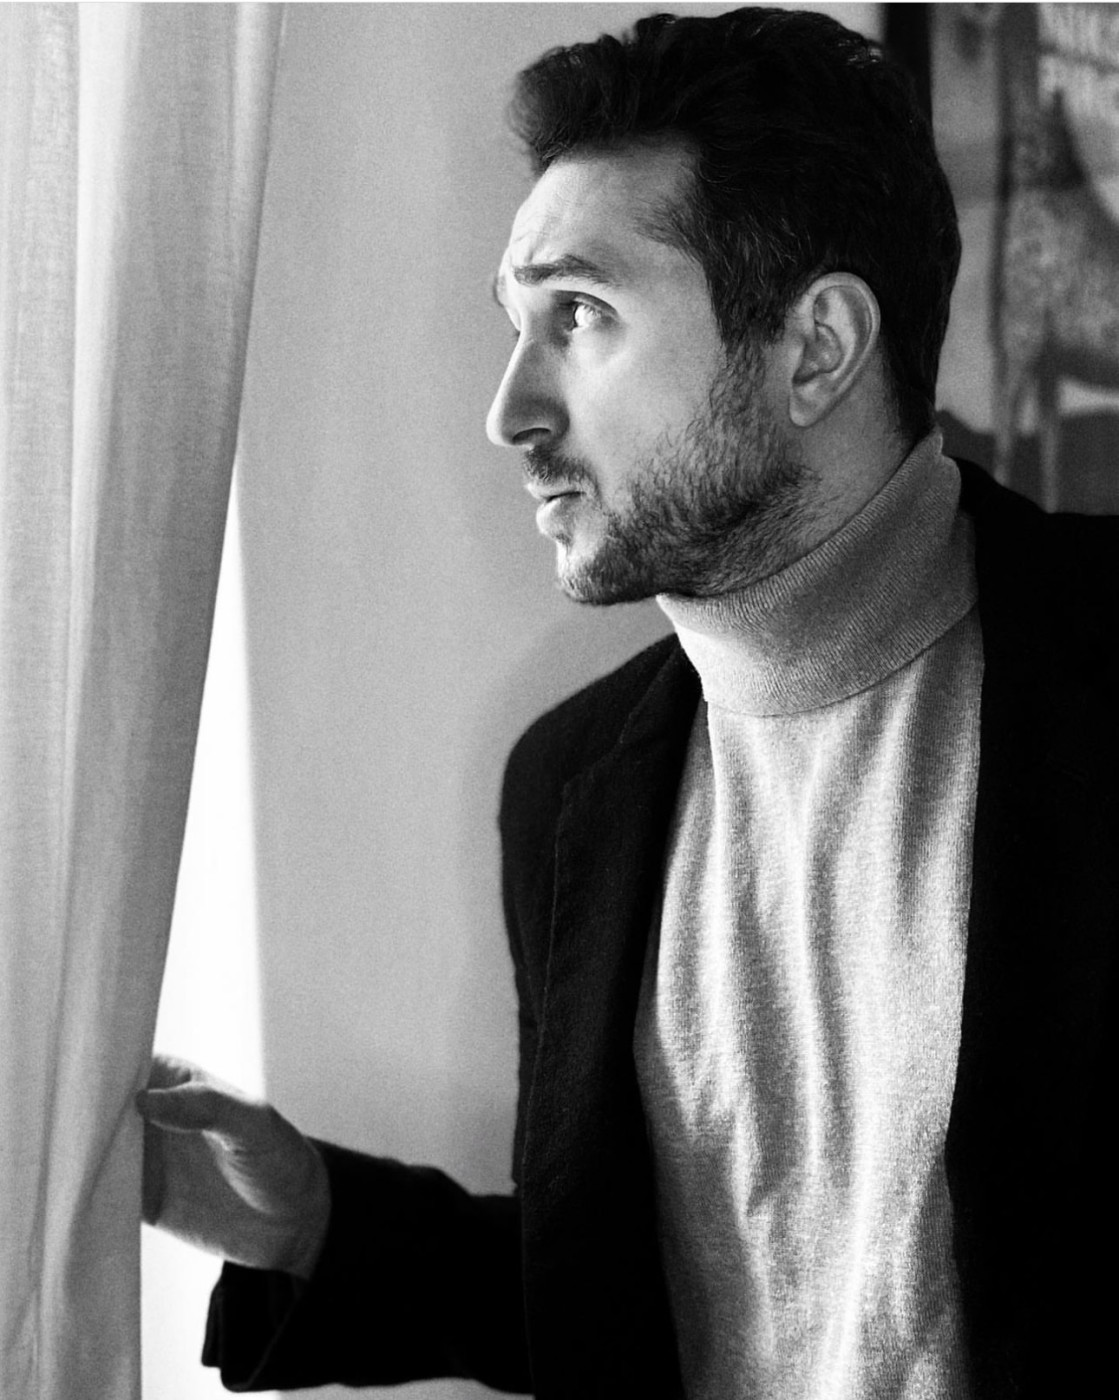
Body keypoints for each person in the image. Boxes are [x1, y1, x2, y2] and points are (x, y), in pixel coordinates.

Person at [138, 8, 1118, 1398]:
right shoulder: (570, 785)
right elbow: (644, 1304)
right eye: (516, 324)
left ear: (816, 348)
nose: (509, 411)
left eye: (581, 315)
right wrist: (313, 1223)